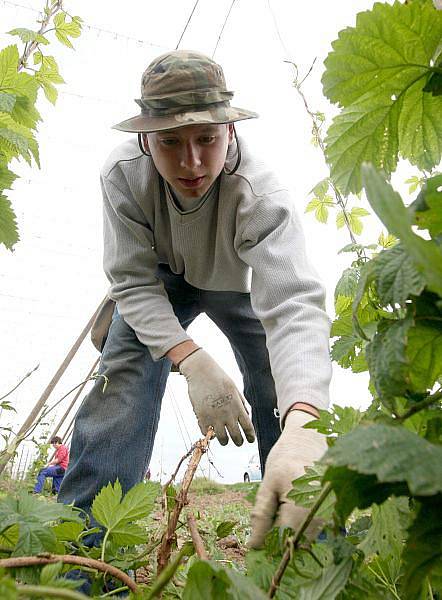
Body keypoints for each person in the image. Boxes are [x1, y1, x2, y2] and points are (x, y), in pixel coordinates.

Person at [58, 50, 331, 547]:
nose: (192, 162)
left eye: (207, 139)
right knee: (123, 376)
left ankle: (293, 547)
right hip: (159, 283)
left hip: (236, 282)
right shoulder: (123, 175)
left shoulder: (259, 195)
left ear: (230, 132)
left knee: (279, 382)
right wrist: (190, 359)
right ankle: (82, 551)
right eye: (170, 142)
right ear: (145, 139)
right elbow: (133, 282)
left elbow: (293, 306)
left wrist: (307, 421)